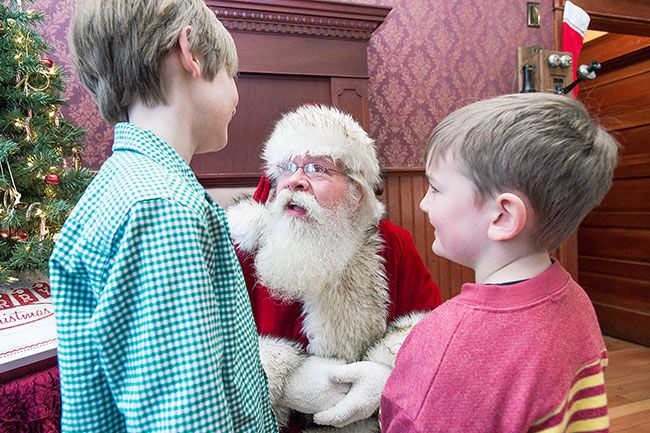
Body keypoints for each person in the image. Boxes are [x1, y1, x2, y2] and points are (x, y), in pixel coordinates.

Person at [48, 1, 277, 432]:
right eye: (233, 74)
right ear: (189, 51)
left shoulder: (118, 189)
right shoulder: (162, 209)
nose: (236, 96)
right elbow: (187, 419)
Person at [380, 93, 619, 433]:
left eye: (435, 188)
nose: (422, 203)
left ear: (503, 216)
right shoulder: (575, 299)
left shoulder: (448, 341)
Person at [227, 104, 442, 433]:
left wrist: (384, 374)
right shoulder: (243, 248)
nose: (295, 181)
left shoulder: (392, 244)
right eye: (287, 168)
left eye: (316, 169)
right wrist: (282, 380)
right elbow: (208, 344)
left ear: (356, 193)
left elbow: (430, 333)